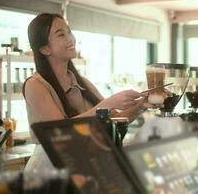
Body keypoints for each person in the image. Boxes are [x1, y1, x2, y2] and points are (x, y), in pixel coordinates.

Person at [23, 13, 158, 170]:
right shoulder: (35, 85)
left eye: (69, 32)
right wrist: (106, 105)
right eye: (61, 34)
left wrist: (141, 106)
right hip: (50, 168)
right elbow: (59, 131)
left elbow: (114, 119)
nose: (70, 39)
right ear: (45, 49)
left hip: (80, 162)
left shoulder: (82, 82)